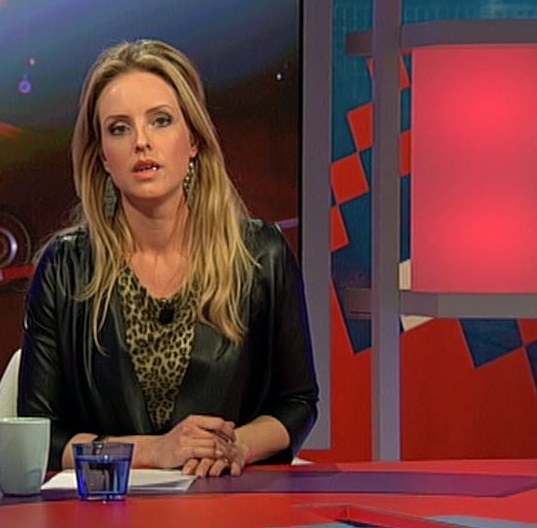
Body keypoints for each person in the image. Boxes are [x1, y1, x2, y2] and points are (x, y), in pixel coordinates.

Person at [17, 40, 318, 478]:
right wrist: (152, 451)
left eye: (160, 121)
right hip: (106, 507)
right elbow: (38, 433)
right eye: (119, 128)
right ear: (102, 156)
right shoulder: (65, 268)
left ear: (193, 139)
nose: (141, 142)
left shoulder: (261, 255)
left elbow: (297, 402)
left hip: (226, 502)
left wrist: (235, 447)